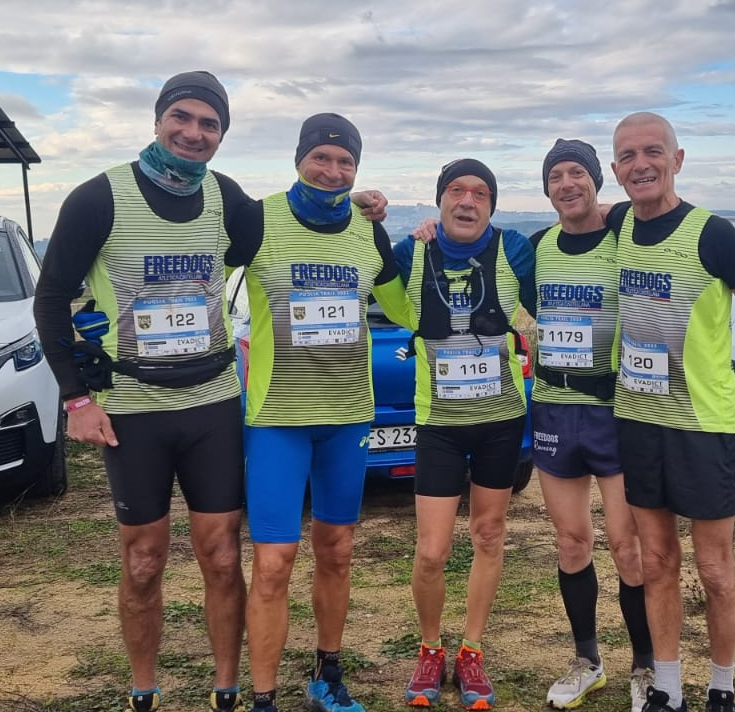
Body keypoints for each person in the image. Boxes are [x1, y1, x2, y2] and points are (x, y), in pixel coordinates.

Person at [32, 71, 249, 712]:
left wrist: (369, 211)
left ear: (221, 135)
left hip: (212, 400)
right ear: (158, 121)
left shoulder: (228, 198)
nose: (194, 132)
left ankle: (227, 689)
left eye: (210, 124)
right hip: (133, 406)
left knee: (220, 555)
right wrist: (76, 397)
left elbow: (291, 234)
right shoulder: (98, 197)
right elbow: (50, 299)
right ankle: (144, 691)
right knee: (144, 560)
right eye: (181, 117)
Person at [608, 112, 735, 712]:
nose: (641, 164)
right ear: (616, 170)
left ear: (677, 159)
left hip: (703, 425)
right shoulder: (618, 227)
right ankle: (666, 688)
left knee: (714, 567)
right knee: (657, 560)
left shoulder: (712, 233)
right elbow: (568, 218)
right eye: (628, 156)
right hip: (638, 419)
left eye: (653, 152)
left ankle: (721, 688)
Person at [234, 113, 413, 712]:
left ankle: (327, 676)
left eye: (345, 162)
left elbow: (404, 307)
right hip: (278, 419)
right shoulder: (257, 220)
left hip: (347, 415)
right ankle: (262, 698)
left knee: (336, 550)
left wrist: (437, 241)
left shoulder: (366, 229)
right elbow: (198, 272)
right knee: (275, 561)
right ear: (299, 159)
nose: (333, 171)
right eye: (322, 158)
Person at [393, 159, 534, 710]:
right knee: (431, 551)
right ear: (439, 202)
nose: (468, 200)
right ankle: (431, 648)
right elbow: (366, 266)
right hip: (441, 425)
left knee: (489, 535)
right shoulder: (412, 252)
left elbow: (572, 261)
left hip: (501, 421)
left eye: (480, 193)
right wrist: (372, 213)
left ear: (492, 206)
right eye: (456, 190)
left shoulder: (514, 249)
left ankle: (471, 651)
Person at [531, 139, 654, 711]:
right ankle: (588, 661)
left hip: (615, 409)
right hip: (555, 408)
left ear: (596, 180)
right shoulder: (537, 248)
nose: (567, 183)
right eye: (557, 175)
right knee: (572, 541)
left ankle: (647, 668)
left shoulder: (624, 231)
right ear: (547, 188)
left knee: (630, 546)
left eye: (577, 171)